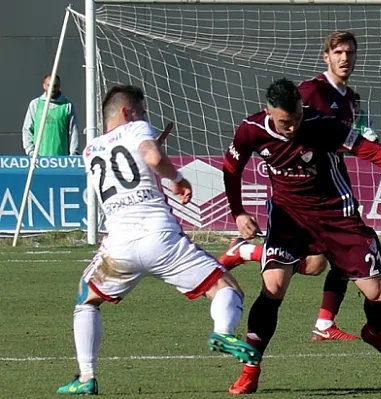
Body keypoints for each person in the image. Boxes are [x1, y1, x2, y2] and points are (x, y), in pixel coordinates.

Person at [222, 78, 381, 394]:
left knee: (379, 295)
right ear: (269, 113)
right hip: (289, 217)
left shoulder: (323, 125)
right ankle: (251, 368)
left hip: (337, 217)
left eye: (297, 119)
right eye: (285, 123)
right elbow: (231, 169)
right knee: (273, 287)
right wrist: (238, 212)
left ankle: (373, 333)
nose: (292, 128)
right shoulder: (251, 130)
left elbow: (374, 152)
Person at [56, 85, 259, 396]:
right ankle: (222, 332)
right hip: (159, 237)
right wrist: (176, 179)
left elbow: (126, 166)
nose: (145, 117)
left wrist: (151, 157)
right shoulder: (137, 127)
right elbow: (151, 156)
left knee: (87, 301)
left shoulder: (91, 149)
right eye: (141, 111)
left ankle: (86, 377)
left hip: (118, 246)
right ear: (127, 113)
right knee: (226, 289)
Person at [219, 31, 369, 343]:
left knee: (315, 265)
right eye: (338, 52)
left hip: (331, 187)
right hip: (303, 197)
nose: (345, 58)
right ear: (325, 56)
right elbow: (286, 131)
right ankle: (324, 323)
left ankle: (250, 252)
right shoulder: (310, 92)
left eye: (350, 52)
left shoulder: (348, 98)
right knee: (328, 262)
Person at [22, 74, 80, 156]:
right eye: (49, 85)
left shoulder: (67, 106)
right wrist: (31, 151)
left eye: (55, 86)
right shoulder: (35, 104)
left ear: (59, 86)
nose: (52, 89)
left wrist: (73, 154)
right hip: (39, 159)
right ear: (44, 86)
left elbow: (73, 131)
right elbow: (27, 129)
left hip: (61, 159)